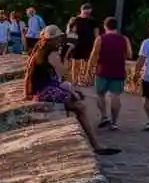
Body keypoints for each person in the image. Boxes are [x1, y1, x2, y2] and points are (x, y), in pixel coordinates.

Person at [23, 25, 119, 155]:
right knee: (80, 106)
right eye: (58, 38)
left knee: (75, 95)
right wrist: (67, 53)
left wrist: (26, 93)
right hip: (46, 90)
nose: (59, 41)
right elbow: (62, 72)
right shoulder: (52, 53)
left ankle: (95, 143)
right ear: (53, 40)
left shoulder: (38, 51)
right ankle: (95, 144)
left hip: (42, 89)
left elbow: (29, 73)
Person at [88, 17, 131, 130]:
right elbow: (129, 54)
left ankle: (104, 116)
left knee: (100, 94)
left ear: (105, 26)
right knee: (115, 95)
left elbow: (94, 55)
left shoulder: (100, 38)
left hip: (102, 70)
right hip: (118, 70)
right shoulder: (124, 39)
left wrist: (89, 69)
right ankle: (114, 122)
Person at [66, 3, 98, 74]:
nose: (86, 15)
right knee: (75, 62)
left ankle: (83, 78)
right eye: (85, 12)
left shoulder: (92, 21)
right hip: (76, 43)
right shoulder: (75, 20)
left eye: (88, 13)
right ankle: (75, 79)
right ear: (81, 10)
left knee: (86, 61)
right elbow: (69, 32)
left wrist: (96, 42)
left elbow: (96, 33)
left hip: (88, 43)